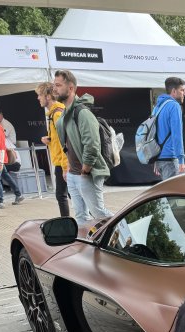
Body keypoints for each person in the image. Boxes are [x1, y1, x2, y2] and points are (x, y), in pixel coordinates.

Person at [53, 69, 112, 224]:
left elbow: (92, 145)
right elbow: (68, 145)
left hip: (86, 174)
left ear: (71, 88)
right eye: (54, 85)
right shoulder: (66, 114)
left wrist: (84, 171)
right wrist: (68, 169)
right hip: (73, 175)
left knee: (100, 214)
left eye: (58, 85)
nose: (54, 89)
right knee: (81, 217)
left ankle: (128, 238)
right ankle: (87, 246)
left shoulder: (82, 113)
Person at [35, 82, 69, 217]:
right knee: (68, 195)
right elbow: (58, 139)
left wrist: (66, 167)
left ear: (48, 96)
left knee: (62, 196)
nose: (38, 98)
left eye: (40, 95)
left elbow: (66, 142)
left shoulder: (57, 114)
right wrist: (49, 140)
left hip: (63, 163)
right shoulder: (54, 113)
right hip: (61, 162)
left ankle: (67, 226)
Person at [152, 76, 185, 181]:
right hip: (171, 158)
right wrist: (181, 160)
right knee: (174, 194)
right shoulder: (174, 106)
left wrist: (155, 159)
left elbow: (153, 134)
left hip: (159, 158)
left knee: (166, 194)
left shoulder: (157, 106)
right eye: (182, 90)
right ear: (174, 91)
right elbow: (177, 135)